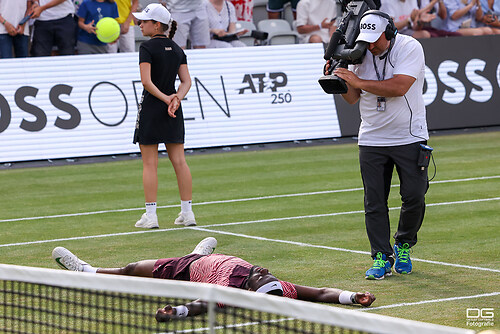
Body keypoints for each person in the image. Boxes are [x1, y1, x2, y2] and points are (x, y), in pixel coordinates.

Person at [327, 10, 430, 280]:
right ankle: (381, 256)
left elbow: (399, 87)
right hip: (371, 137)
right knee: (374, 201)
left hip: (409, 135)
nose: (371, 45)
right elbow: (353, 98)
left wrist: (358, 81)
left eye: (376, 39)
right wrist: (339, 79)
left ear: (390, 33)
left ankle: (404, 244)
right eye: (367, 40)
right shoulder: (360, 51)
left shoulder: (409, 47)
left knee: (415, 196)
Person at [52, 237, 376, 321]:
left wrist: (174, 312)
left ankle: (87, 271)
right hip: (205, 261)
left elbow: (197, 305)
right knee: (199, 254)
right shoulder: (280, 288)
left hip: (188, 270)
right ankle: (198, 250)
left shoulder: (228, 291)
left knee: (131, 270)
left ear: (249, 288)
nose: (265, 272)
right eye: (267, 276)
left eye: (262, 277)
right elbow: (319, 293)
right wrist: (352, 296)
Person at [132, 3, 196, 229]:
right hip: (173, 109)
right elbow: (186, 82)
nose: (140, 24)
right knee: (179, 161)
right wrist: (175, 98)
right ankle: (187, 213)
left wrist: (168, 98)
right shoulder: (177, 49)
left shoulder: (147, 48)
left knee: (150, 164)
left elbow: (146, 82)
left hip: (152, 107)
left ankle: (151, 216)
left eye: (144, 21)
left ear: (156, 24)